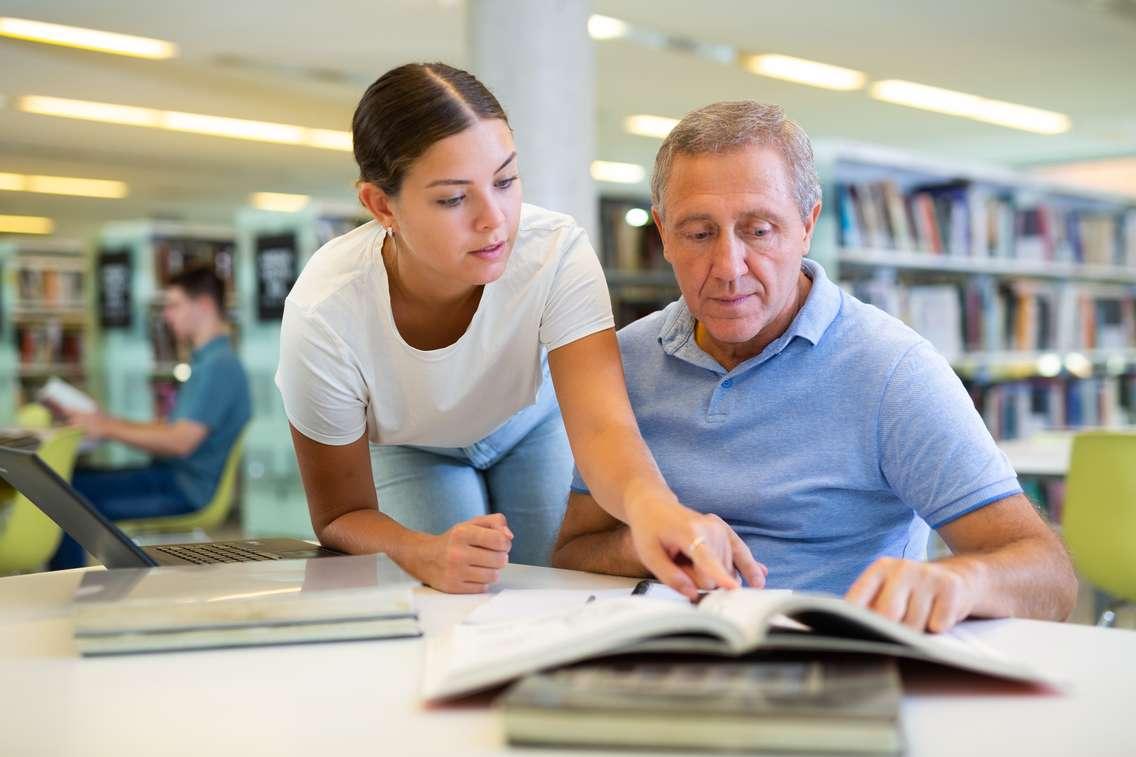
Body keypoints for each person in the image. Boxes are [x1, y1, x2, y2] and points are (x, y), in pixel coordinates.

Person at [551, 100, 1078, 632]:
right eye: (699, 233)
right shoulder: (625, 361)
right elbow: (573, 553)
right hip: (659, 655)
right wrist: (653, 541)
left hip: (830, 667)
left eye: (759, 230)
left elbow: (1050, 578)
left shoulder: (892, 370)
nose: (730, 268)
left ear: (807, 225)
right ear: (663, 233)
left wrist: (960, 582)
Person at [276, 63, 759, 595]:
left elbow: (605, 430)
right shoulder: (324, 313)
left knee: (550, 586)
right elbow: (340, 515)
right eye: (454, 198)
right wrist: (422, 553)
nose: (495, 220)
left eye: (505, 181)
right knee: (450, 595)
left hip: (529, 423)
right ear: (380, 204)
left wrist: (655, 511)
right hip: (410, 446)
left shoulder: (555, 251)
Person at [49, 265, 251, 570]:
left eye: (174, 305)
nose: (167, 316)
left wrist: (105, 428)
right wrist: (106, 420)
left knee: (66, 498)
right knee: (67, 484)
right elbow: (172, 429)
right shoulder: (209, 362)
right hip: (170, 477)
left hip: (183, 488)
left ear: (205, 305)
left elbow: (179, 442)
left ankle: (66, 597)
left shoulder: (218, 367)